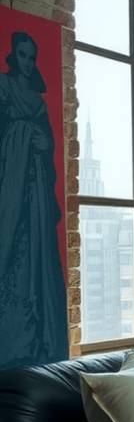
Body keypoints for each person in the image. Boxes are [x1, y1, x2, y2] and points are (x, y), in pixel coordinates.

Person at [0, 29, 68, 366]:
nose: (27, 63)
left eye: (32, 57)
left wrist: (44, 144)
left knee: (37, 256)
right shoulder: (3, 87)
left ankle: (39, 339)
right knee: (14, 255)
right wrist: (24, 137)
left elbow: (49, 142)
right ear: (14, 56)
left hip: (36, 189)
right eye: (22, 56)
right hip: (11, 187)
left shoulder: (39, 102)